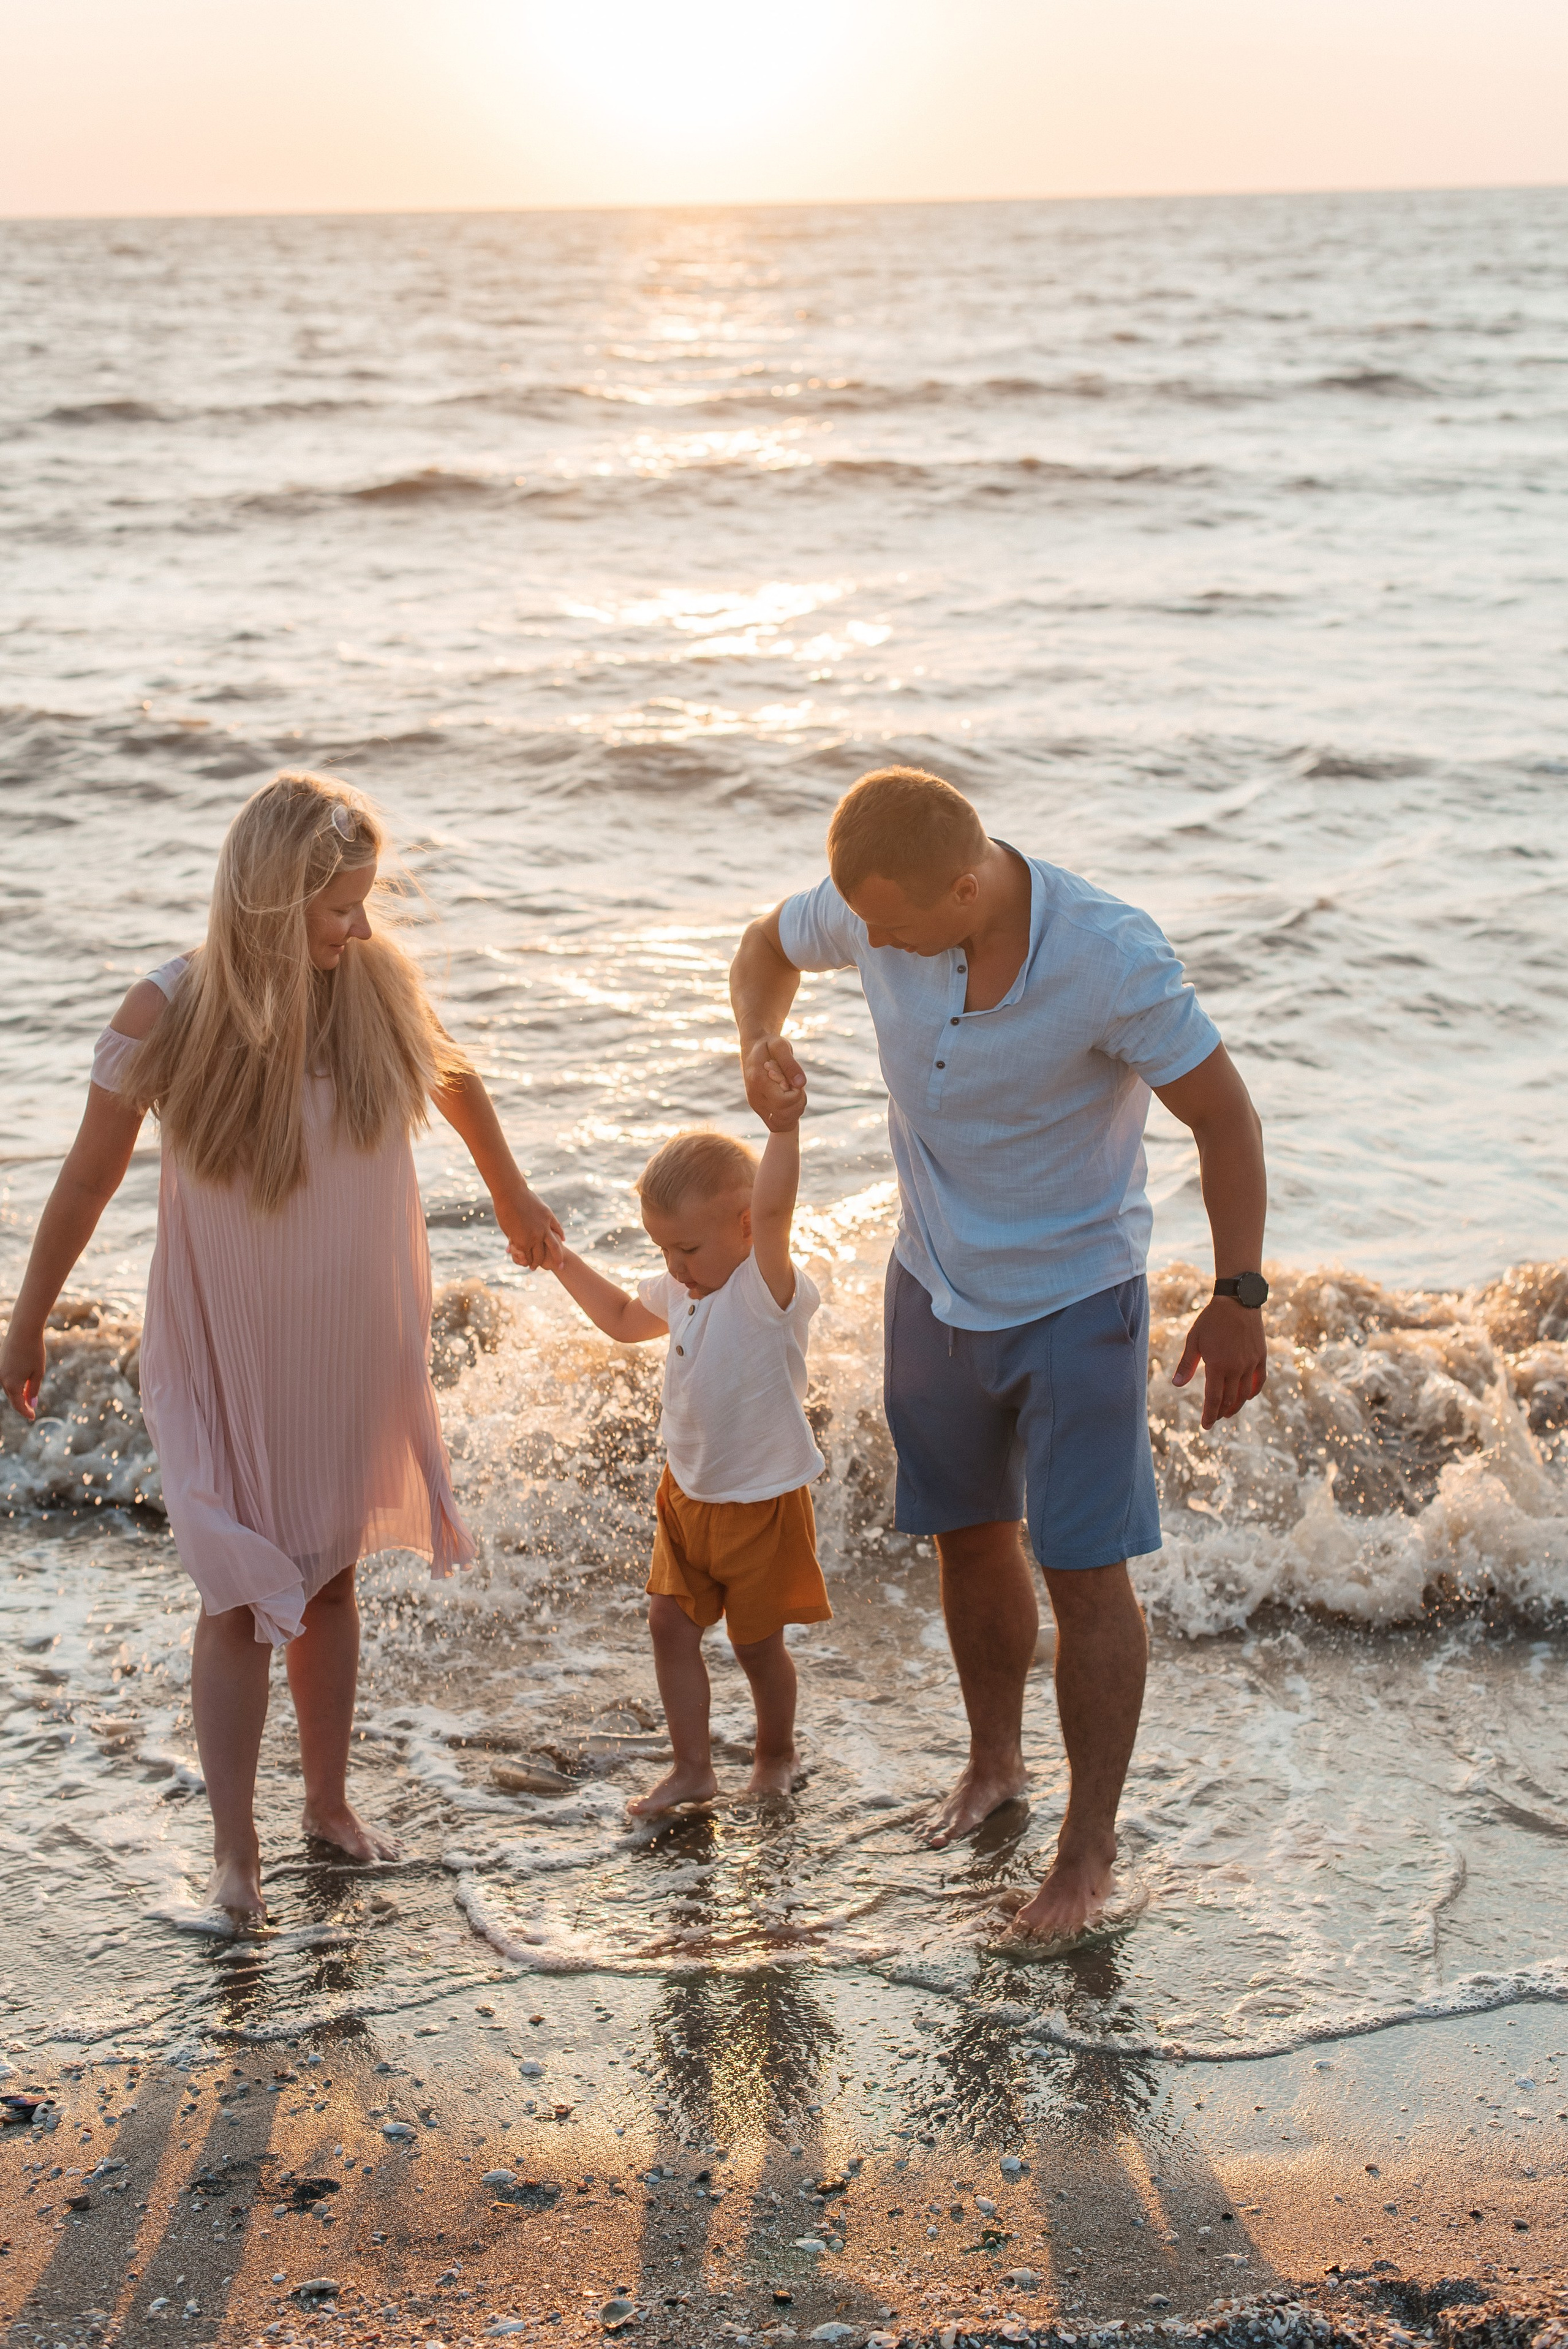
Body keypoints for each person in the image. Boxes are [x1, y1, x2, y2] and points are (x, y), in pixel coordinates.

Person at [0, 772, 562, 1929]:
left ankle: (327, 1805)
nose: (360, 928)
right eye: (339, 908)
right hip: (231, 1335)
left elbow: (458, 1082)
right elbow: (89, 1177)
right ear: (271, 901)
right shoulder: (171, 1010)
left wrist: (514, 1200)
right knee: (237, 1584)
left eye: (361, 904)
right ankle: (234, 1857)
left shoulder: (369, 984)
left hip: (352, 1321)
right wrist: (27, 1315)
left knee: (334, 1567)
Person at [729, 766, 1268, 1941]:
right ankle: (994, 1766)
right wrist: (757, 1036)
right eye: (857, 920)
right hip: (933, 1279)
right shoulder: (873, 908)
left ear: (966, 888)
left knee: (1085, 1575)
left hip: (1079, 1297)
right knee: (969, 1540)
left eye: (886, 925)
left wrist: (1240, 1294)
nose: (863, 942)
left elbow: (1225, 1116)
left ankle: (1086, 1853)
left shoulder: (1110, 959)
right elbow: (763, 946)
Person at [526, 1109, 830, 1818]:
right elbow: (625, 1320)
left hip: (760, 1500)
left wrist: (782, 1129)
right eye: (664, 1250)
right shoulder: (684, 1287)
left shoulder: (764, 1288)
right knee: (669, 1623)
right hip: (686, 1493)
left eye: (688, 1248)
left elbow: (779, 1203)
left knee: (757, 1647)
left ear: (747, 1223)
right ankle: (692, 1766)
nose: (675, 1267)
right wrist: (563, 1261)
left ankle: (773, 1754)